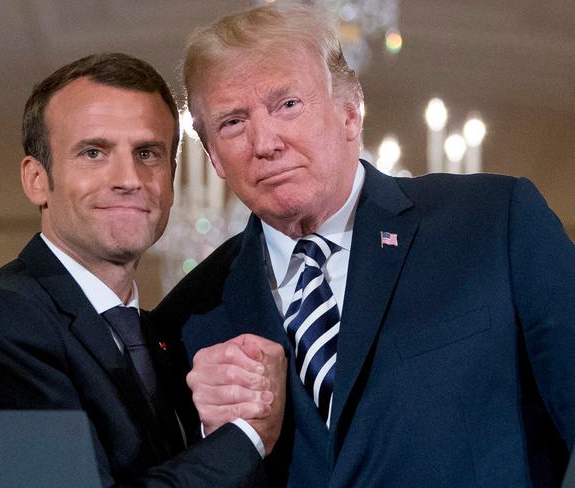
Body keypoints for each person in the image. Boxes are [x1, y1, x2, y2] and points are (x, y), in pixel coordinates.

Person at [152, 5, 575, 487]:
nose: (264, 142)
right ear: (213, 157)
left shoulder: (493, 222)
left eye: (287, 104)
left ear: (351, 113)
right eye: (232, 122)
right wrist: (216, 437)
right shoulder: (188, 319)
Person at [0, 53, 286, 487]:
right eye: (94, 152)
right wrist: (245, 438)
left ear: (171, 178)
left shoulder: (160, 336)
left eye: (147, 153)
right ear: (36, 179)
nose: (128, 178)